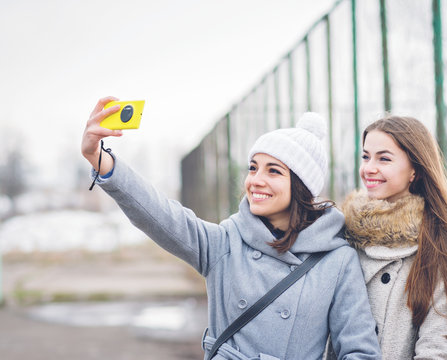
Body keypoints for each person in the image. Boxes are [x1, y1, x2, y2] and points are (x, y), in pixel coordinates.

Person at [81, 97, 381, 360]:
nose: (255, 180)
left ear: (302, 186)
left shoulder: (336, 260)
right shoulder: (225, 242)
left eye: (273, 170)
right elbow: (160, 215)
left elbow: (360, 351)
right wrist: (100, 158)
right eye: (253, 167)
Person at [337, 115, 447, 359]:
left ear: (414, 169)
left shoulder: (439, 243)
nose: (368, 168)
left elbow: (435, 351)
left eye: (383, 158)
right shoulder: (343, 231)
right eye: (365, 156)